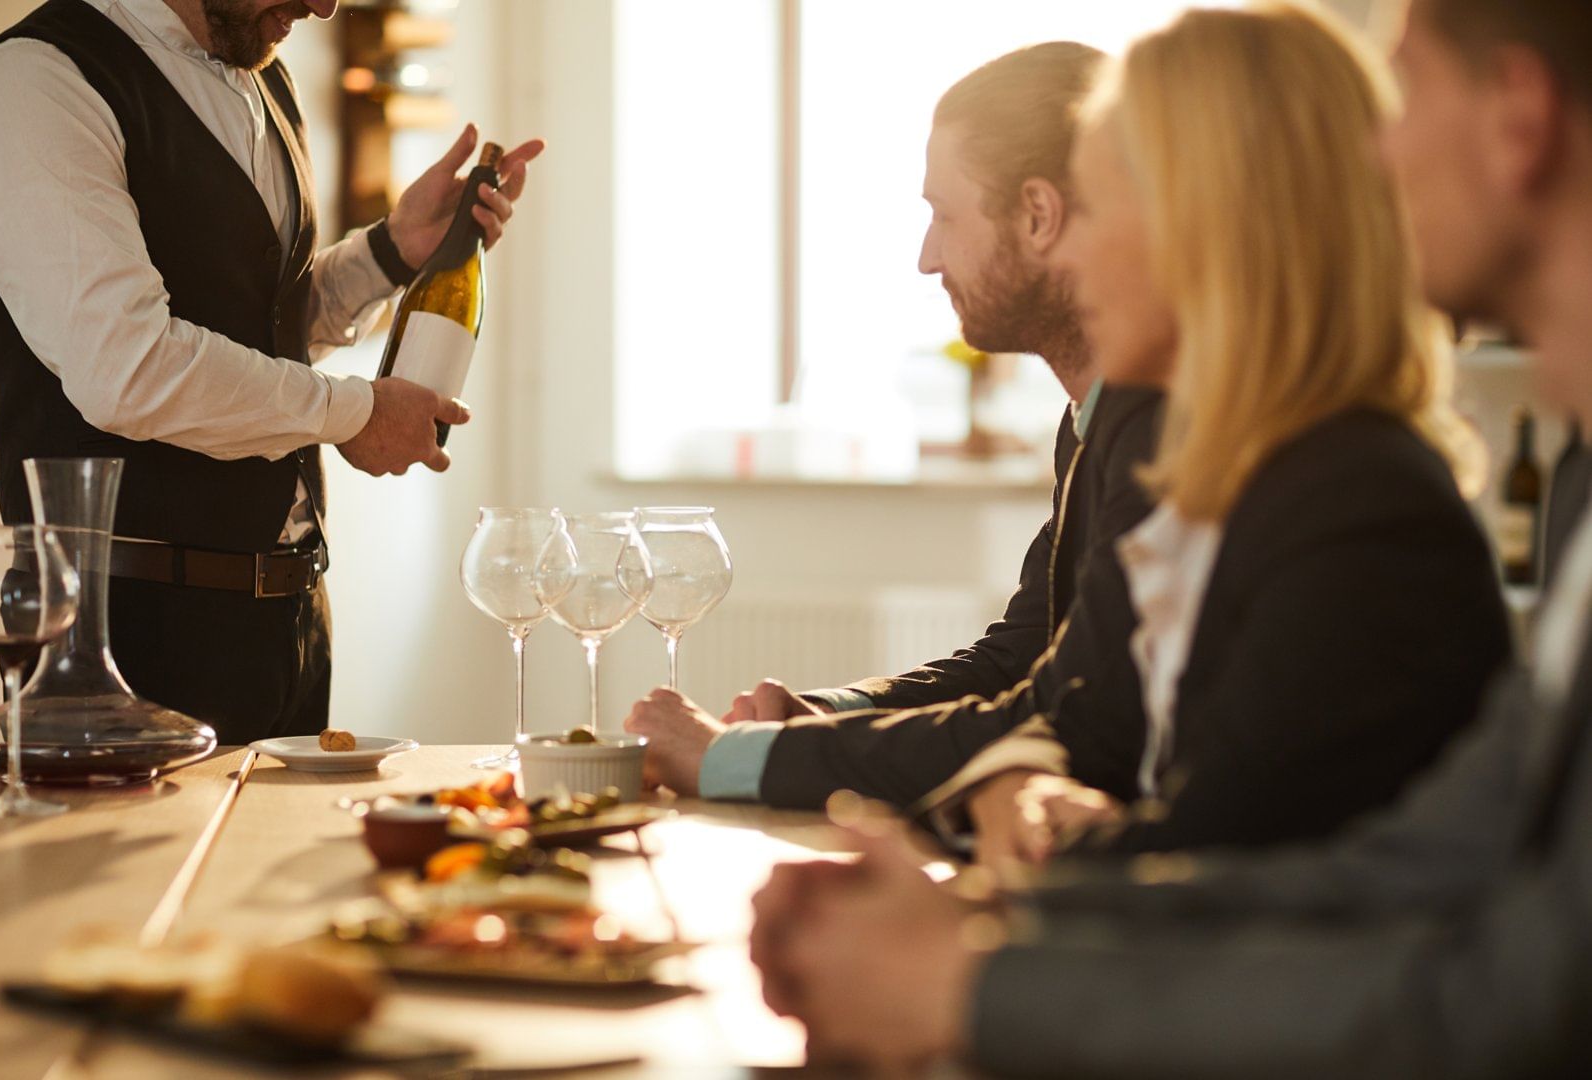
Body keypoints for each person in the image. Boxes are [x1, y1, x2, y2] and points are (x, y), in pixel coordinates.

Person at [749, 1, 1592, 1073]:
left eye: (1405, 90)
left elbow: (1499, 998)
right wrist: (1002, 907)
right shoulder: (1564, 491)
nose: (1371, 152)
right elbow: (1392, 870)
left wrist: (968, 971)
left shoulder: (1358, 504)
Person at [629, 0, 1509, 869]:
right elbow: (1090, 715)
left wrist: (972, 924)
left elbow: (1215, 869)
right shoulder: (1248, 466)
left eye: (1100, 206)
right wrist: (1025, 797)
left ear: (1208, 229)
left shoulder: (1346, 504)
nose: (1073, 251)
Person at [0, 0, 541, 742]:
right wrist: (357, 412)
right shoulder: (34, 83)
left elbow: (256, 332)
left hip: (290, 628)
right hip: (121, 638)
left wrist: (390, 251)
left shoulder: (265, 85)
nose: (324, 6)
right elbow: (129, 367)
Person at [628, 42, 1165, 799]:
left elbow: (1065, 718)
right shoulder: (1089, 421)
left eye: (944, 214)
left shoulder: (1160, 426)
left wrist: (734, 763)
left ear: (1038, 215)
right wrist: (821, 717)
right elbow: (1020, 657)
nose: (925, 257)